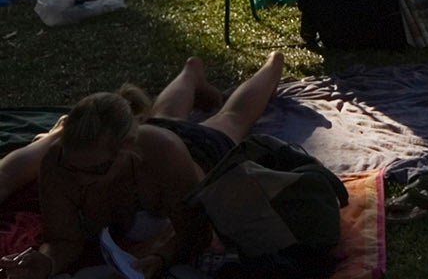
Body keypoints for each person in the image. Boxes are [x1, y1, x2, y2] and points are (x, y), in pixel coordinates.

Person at [17, 53, 288, 278]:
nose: (81, 180)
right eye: (72, 169)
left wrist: (161, 256)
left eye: (95, 170)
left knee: (231, 120)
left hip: (195, 150)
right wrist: (46, 262)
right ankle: (191, 71)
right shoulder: (58, 163)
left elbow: (195, 232)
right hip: (152, 136)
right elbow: (63, 241)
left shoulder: (164, 154)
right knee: (165, 115)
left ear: (126, 151)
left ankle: (273, 63)